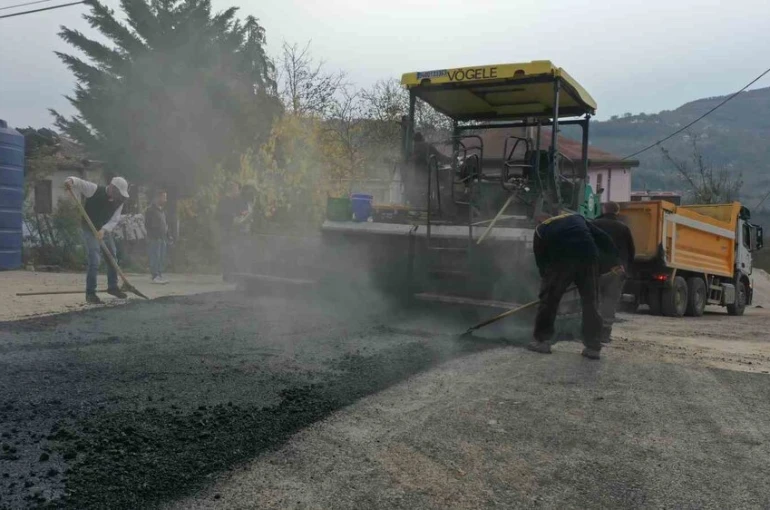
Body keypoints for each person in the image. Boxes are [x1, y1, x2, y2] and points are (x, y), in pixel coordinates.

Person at [528, 211, 618, 360]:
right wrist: (613, 263)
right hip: (589, 258)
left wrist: (547, 285)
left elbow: (541, 261)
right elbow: (604, 238)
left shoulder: (540, 230)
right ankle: (593, 347)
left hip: (562, 260)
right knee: (591, 303)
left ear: (539, 220)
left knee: (549, 301)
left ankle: (542, 341)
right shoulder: (577, 217)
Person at [64, 175, 130, 304]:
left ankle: (113, 287)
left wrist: (104, 230)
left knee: (112, 256)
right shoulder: (94, 189)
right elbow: (78, 182)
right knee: (94, 259)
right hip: (89, 228)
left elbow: (114, 219)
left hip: (104, 229)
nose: (118, 196)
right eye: (117, 193)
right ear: (112, 187)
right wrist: (70, 181)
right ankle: (90, 293)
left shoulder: (119, 201)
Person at [592, 201, 636, 343]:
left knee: (593, 301)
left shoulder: (594, 224)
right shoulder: (623, 228)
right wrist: (626, 269)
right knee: (610, 302)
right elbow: (631, 252)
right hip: (616, 271)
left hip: (595, 269)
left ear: (604, 209)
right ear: (617, 212)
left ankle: (591, 332)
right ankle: (605, 334)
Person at [216, 181, 248, 282]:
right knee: (228, 253)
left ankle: (231, 275)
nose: (238, 192)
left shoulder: (235, 201)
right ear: (233, 189)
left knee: (232, 253)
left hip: (232, 232)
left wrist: (243, 214)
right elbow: (222, 216)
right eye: (237, 190)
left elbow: (242, 211)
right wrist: (236, 217)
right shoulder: (224, 201)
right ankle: (228, 275)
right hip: (227, 232)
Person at [144, 189, 169, 285]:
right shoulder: (150, 210)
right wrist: (152, 235)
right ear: (158, 197)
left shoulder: (161, 211)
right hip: (154, 238)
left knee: (161, 257)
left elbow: (165, 224)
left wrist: (168, 235)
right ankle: (155, 276)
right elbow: (147, 224)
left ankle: (159, 274)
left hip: (163, 238)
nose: (165, 200)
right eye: (164, 197)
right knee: (155, 256)